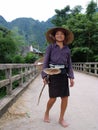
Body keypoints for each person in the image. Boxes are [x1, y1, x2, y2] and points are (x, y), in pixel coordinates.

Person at [41, 27, 74, 128]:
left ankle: (61, 118)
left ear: (65, 37)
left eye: (62, 34)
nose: (60, 36)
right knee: (53, 98)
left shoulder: (67, 49)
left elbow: (69, 64)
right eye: (57, 34)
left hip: (63, 75)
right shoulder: (50, 47)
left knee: (65, 98)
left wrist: (71, 77)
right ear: (54, 36)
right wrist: (44, 75)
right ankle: (46, 112)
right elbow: (45, 62)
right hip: (52, 74)